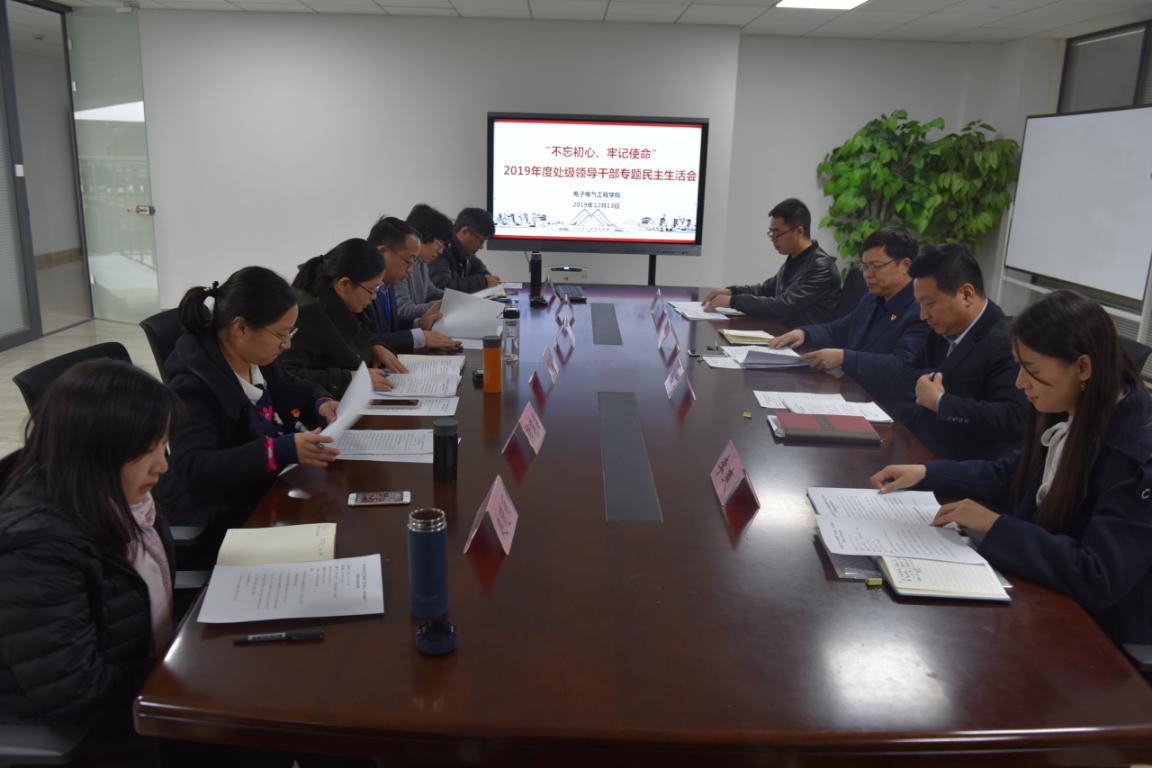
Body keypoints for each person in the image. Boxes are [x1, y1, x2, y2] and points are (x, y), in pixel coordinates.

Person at [871, 290, 1152, 647]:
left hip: (1098, 635)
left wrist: (994, 525)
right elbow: (1013, 472)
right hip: (1042, 593)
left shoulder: (1137, 454)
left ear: (1083, 368)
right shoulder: (1070, 404)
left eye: (1032, 370)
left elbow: (1097, 574)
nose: (1020, 383)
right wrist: (926, 473)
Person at [0, 360, 180, 728]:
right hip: (89, 727)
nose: (162, 465)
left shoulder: (119, 497)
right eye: (148, 449)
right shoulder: (37, 549)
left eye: (164, 445)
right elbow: (76, 692)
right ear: (96, 451)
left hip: (144, 683)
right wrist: (185, 675)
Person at [160, 266, 340, 545]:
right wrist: (277, 451)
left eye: (290, 333)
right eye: (281, 334)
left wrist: (321, 401)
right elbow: (192, 467)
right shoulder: (192, 385)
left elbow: (291, 386)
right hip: (228, 518)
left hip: (272, 491)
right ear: (241, 328)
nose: (287, 345)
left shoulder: (254, 356)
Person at [894, 243, 1028, 460]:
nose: (923, 315)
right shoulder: (942, 329)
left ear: (966, 294)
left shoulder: (1006, 341)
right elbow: (909, 375)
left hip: (964, 466)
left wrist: (941, 402)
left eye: (929, 303)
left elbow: (1014, 418)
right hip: (919, 446)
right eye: (919, 305)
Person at [768, 227, 928, 401]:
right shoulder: (871, 299)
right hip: (852, 391)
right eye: (864, 266)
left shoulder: (921, 310)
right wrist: (803, 333)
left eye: (876, 267)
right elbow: (837, 331)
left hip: (887, 403)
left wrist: (844, 358)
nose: (867, 274)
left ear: (905, 265)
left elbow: (901, 365)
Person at [283, 238, 428, 397]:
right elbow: (287, 376)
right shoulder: (306, 314)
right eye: (372, 289)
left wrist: (375, 346)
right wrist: (351, 379)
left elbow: (363, 334)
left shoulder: (344, 300)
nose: (373, 297)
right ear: (344, 284)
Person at [701, 198, 840, 325]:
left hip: (807, 341)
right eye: (771, 233)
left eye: (777, 233)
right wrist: (730, 291)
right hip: (784, 332)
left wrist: (733, 301)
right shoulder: (795, 258)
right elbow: (765, 290)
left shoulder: (821, 267)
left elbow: (783, 305)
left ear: (799, 232)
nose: (773, 239)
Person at [365, 216, 460, 353]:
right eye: (408, 261)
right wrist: (418, 338)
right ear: (382, 252)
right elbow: (366, 340)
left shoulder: (387, 284)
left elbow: (391, 328)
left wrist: (419, 324)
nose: (410, 270)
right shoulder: (358, 287)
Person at [395, 203, 453, 326]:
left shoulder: (421, 261)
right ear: (422, 237)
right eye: (439, 244)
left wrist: (455, 298)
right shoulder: (400, 264)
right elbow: (402, 310)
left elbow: (430, 291)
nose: (441, 251)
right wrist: (440, 305)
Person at [428, 207, 502, 293]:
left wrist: (487, 280)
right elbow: (441, 286)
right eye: (480, 240)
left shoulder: (465, 252)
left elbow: (483, 273)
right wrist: (483, 282)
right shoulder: (440, 249)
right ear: (465, 231)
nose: (481, 247)